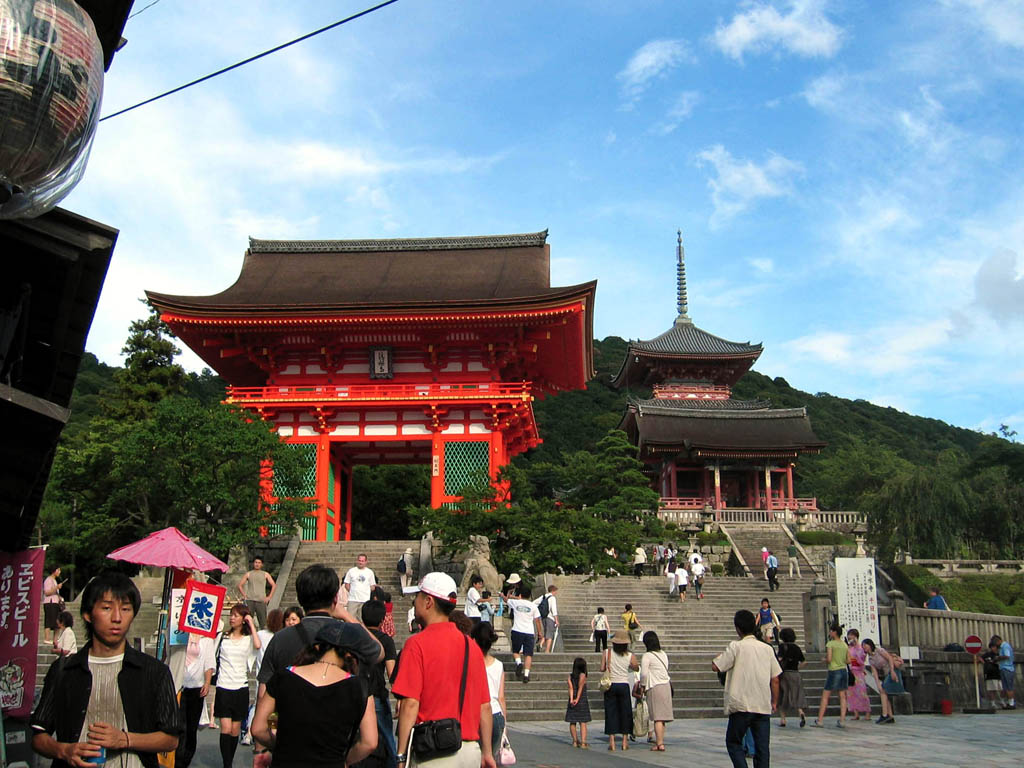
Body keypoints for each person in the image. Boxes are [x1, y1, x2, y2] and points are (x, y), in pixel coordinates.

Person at [31, 570, 181, 767]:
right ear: (87, 614)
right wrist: (63, 750)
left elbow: (171, 739)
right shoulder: (64, 671)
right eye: (107, 608)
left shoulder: (155, 672)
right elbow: (38, 735)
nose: (117, 618)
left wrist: (125, 739)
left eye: (126, 609)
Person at [256, 563, 385, 764]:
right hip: (335, 748)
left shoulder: (280, 639)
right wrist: (344, 614)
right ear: (335, 598)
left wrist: (267, 748)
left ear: (300, 599)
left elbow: (262, 696)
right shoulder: (347, 636)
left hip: (289, 750)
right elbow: (378, 652)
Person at [393, 571, 496, 768]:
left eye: (417, 597)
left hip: (433, 751)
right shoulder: (470, 646)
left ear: (428, 602)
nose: (414, 602)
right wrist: (487, 752)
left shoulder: (417, 644)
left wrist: (401, 755)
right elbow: (485, 706)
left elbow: (410, 704)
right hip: (469, 751)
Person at [251, 620, 378, 767]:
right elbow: (369, 742)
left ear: (317, 647)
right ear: (351, 655)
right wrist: (345, 760)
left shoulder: (283, 677)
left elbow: (258, 729)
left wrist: (279, 746)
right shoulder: (360, 687)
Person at [711, 609, 782, 768]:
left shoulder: (736, 646)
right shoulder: (767, 649)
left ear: (738, 628)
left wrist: (717, 657)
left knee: (733, 742)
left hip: (741, 704)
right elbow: (775, 679)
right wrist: (774, 701)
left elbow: (716, 666)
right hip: (762, 705)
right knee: (762, 748)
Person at [213, 603, 262, 766]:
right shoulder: (223, 637)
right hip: (223, 685)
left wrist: (251, 624)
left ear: (243, 619)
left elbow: (257, 645)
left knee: (235, 730)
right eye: (231, 615)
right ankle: (226, 763)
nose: (232, 618)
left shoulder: (248, 640)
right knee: (225, 729)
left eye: (236, 615)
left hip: (240, 686)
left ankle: (230, 759)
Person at [363, 599, 399, 768]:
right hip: (377, 693)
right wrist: (399, 697)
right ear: (382, 619)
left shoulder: (357, 638)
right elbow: (391, 673)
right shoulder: (386, 640)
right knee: (387, 736)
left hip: (357, 695)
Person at [174, 628, 217, 768]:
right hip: (179, 686)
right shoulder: (180, 634)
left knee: (191, 729)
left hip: (196, 687)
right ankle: (177, 761)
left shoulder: (207, 639)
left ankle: (185, 760)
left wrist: (207, 682)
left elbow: (210, 662)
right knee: (180, 727)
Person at [472, 621, 507, 763]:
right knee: (491, 757)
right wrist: (505, 724)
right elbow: (501, 697)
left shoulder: (472, 663)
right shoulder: (499, 665)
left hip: (478, 714)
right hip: (497, 714)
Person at [602, 630, 638, 752]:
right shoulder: (629, 655)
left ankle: (612, 742)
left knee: (611, 712)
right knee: (625, 712)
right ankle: (624, 741)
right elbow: (636, 667)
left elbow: (602, 668)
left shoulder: (607, 653)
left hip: (610, 685)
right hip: (624, 684)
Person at [640, 631, 672, 751]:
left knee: (657, 717)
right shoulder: (663, 654)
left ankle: (659, 743)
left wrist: (642, 686)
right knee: (662, 718)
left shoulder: (647, 656)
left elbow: (643, 674)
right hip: (666, 686)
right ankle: (661, 741)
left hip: (655, 686)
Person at [813, 624, 848, 728]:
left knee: (825, 695)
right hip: (843, 670)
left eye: (831, 631)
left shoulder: (830, 644)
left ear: (834, 632)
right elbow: (849, 660)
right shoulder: (844, 645)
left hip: (834, 670)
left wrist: (824, 660)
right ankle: (842, 720)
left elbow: (829, 658)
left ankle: (820, 720)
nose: (830, 633)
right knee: (842, 696)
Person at [507, 585, 542, 683]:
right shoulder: (533, 606)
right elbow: (537, 620)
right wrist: (540, 633)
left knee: (516, 650)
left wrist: (509, 593)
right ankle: (526, 675)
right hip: (529, 632)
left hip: (517, 630)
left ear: (520, 594)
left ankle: (518, 663)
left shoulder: (516, 602)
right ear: (530, 596)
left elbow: (507, 599)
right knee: (528, 654)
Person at [862, 639, 901, 723]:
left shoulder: (879, 651)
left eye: (866, 645)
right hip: (886, 674)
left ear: (870, 645)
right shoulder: (871, 659)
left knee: (883, 692)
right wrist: (877, 684)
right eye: (863, 646)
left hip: (892, 670)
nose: (864, 647)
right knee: (883, 692)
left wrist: (892, 671)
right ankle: (890, 716)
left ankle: (884, 715)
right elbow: (874, 673)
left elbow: (889, 658)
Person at [775, 627, 806, 728]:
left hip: (785, 673)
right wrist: (797, 666)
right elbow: (804, 661)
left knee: (783, 696)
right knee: (796, 694)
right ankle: (800, 711)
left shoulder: (782, 647)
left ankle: (783, 719)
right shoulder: (796, 647)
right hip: (796, 674)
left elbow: (779, 659)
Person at [237, 557, 276, 629]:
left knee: (263, 622)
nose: (257, 564)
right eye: (256, 562)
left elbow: (273, 585)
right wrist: (244, 595)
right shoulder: (248, 574)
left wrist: (269, 597)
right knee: (247, 620)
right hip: (250, 600)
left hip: (261, 600)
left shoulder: (265, 574)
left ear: (262, 564)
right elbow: (240, 585)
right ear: (253, 563)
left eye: (259, 563)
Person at [565, 656, 591, 748]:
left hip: (572, 700)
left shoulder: (570, 676)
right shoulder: (583, 675)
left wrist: (572, 699)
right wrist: (577, 699)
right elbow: (580, 688)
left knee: (572, 721)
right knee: (582, 722)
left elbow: (571, 688)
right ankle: (583, 742)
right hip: (582, 700)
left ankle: (575, 741)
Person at [845, 628, 871, 720]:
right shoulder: (849, 648)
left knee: (862, 692)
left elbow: (861, 661)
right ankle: (855, 713)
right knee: (851, 693)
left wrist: (856, 652)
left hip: (858, 672)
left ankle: (867, 712)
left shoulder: (860, 648)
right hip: (851, 671)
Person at [42, 565, 65, 644]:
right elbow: (47, 592)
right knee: (49, 621)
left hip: (56, 603)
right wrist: (56, 587)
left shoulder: (54, 580)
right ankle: (47, 638)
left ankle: (55, 639)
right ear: (54, 571)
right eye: (58, 570)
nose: (59, 572)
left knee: (57, 622)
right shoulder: (48, 580)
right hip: (50, 602)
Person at [993, 634, 1016, 709]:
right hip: (1003, 668)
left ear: (998, 641)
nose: (995, 645)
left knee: (1009, 687)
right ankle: (1009, 703)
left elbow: (1007, 656)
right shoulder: (1002, 647)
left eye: (995, 643)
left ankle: (1011, 703)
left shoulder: (1005, 646)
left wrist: (998, 658)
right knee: (1006, 687)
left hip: (1007, 668)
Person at [535, 585, 559, 653]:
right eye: (556, 591)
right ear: (553, 591)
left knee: (546, 633)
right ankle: (547, 650)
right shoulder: (552, 598)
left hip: (543, 617)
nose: (556, 593)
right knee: (550, 635)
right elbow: (554, 610)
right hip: (550, 618)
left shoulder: (543, 597)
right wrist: (556, 620)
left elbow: (534, 603)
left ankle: (541, 644)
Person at [981, 639, 1003, 709]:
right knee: (991, 689)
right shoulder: (988, 654)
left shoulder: (999, 654)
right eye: (991, 647)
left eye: (994, 647)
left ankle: (1002, 701)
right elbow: (980, 658)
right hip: (990, 674)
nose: (993, 648)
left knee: (1000, 689)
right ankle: (993, 703)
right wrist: (985, 663)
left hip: (998, 673)